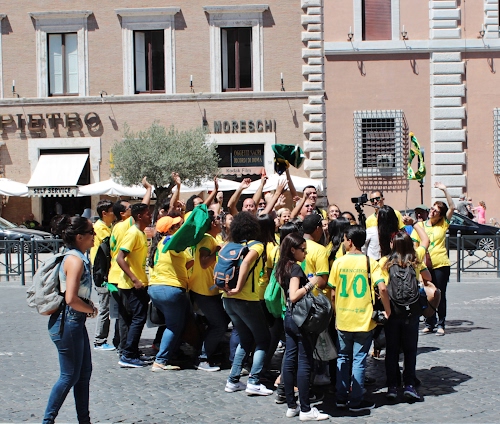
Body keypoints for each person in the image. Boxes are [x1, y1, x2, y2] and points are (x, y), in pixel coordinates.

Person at [328, 225, 391, 412]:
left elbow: (333, 293)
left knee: (342, 358)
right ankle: (356, 400)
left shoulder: (339, 262)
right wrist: (387, 311)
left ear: (350, 241)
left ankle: (340, 398)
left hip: (343, 318)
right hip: (364, 320)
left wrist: (336, 313)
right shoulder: (370, 262)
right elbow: (382, 288)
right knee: (359, 360)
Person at [43, 215, 98, 424]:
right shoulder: (74, 261)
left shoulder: (78, 257)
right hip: (68, 322)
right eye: (91, 232)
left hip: (74, 322)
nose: (94, 236)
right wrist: (91, 309)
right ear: (79, 237)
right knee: (69, 376)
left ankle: (84, 420)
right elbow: (71, 299)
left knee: (83, 374)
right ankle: (47, 421)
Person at [275, 233, 329, 421]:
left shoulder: (282, 266)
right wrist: (310, 284)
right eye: (303, 250)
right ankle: (305, 409)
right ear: (293, 250)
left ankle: (292, 405)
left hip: (289, 318)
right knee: (304, 362)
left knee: (289, 360)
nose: (305, 254)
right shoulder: (295, 268)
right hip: (300, 319)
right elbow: (294, 295)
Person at [222, 212, 272, 396]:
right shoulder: (257, 245)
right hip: (246, 300)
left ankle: (233, 380)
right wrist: (238, 287)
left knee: (245, 338)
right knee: (263, 339)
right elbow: (246, 263)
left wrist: (229, 288)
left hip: (227, 298)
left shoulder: (229, 245)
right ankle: (254, 381)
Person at [381, 225, 431, 401]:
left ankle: (392, 386)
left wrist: (386, 310)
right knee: (410, 350)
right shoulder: (416, 260)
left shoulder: (385, 262)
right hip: (411, 312)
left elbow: (382, 287)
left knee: (392, 350)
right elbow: (428, 277)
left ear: (393, 245)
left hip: (393, 312)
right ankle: (409, 384)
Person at [149, 215, 194, 371]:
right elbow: (190, 262)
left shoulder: (159, 243)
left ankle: (172, 352)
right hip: (170, 288)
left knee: (174, 323)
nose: (179, 227)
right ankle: (160, 360)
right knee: (174, 325)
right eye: (176, 226)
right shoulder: (172, 241)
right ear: (169, 230)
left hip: (156, 287)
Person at [411, 182, 455, 336]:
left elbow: (452, 207)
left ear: (440, 215)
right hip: (424, 266)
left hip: (441, 264)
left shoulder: (443, 224)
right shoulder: (421, 225)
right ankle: (430, 323)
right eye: (431, 209)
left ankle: (441, 323)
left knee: (440, 294)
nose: (432, 211)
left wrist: (445, 190)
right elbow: (415, 245)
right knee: (427, 293)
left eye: (436, 210)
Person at [189, 211, 227, 372]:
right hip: (203, 290)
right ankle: (202, 358)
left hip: (210, 290)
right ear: (212, 223)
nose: (220, 221)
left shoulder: (213, 238)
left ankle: (208, 351)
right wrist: (217, 250)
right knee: (219, 325)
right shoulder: (207, 239)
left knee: (216, 323)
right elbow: (204, 262)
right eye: (218, 219)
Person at [116, 203, 152, 367]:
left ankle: (133, 352)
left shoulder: (141, 233)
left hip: (139, 283)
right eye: (147, 214)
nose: (150, 216)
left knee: (137, 318)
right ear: (139, 216)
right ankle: (128, 355)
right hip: (131, 285)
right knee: (138, 318)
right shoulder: (133, 233)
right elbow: (120, 258)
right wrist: (135, 279)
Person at [90, 199, 117, 351]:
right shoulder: (100, 228)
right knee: (104, 307)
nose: (114, 214)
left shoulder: (108, 226)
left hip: (107, 271)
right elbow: (112, 245)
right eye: (112, 211)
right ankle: (99, 341)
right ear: (104, 213)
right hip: (101, 273)